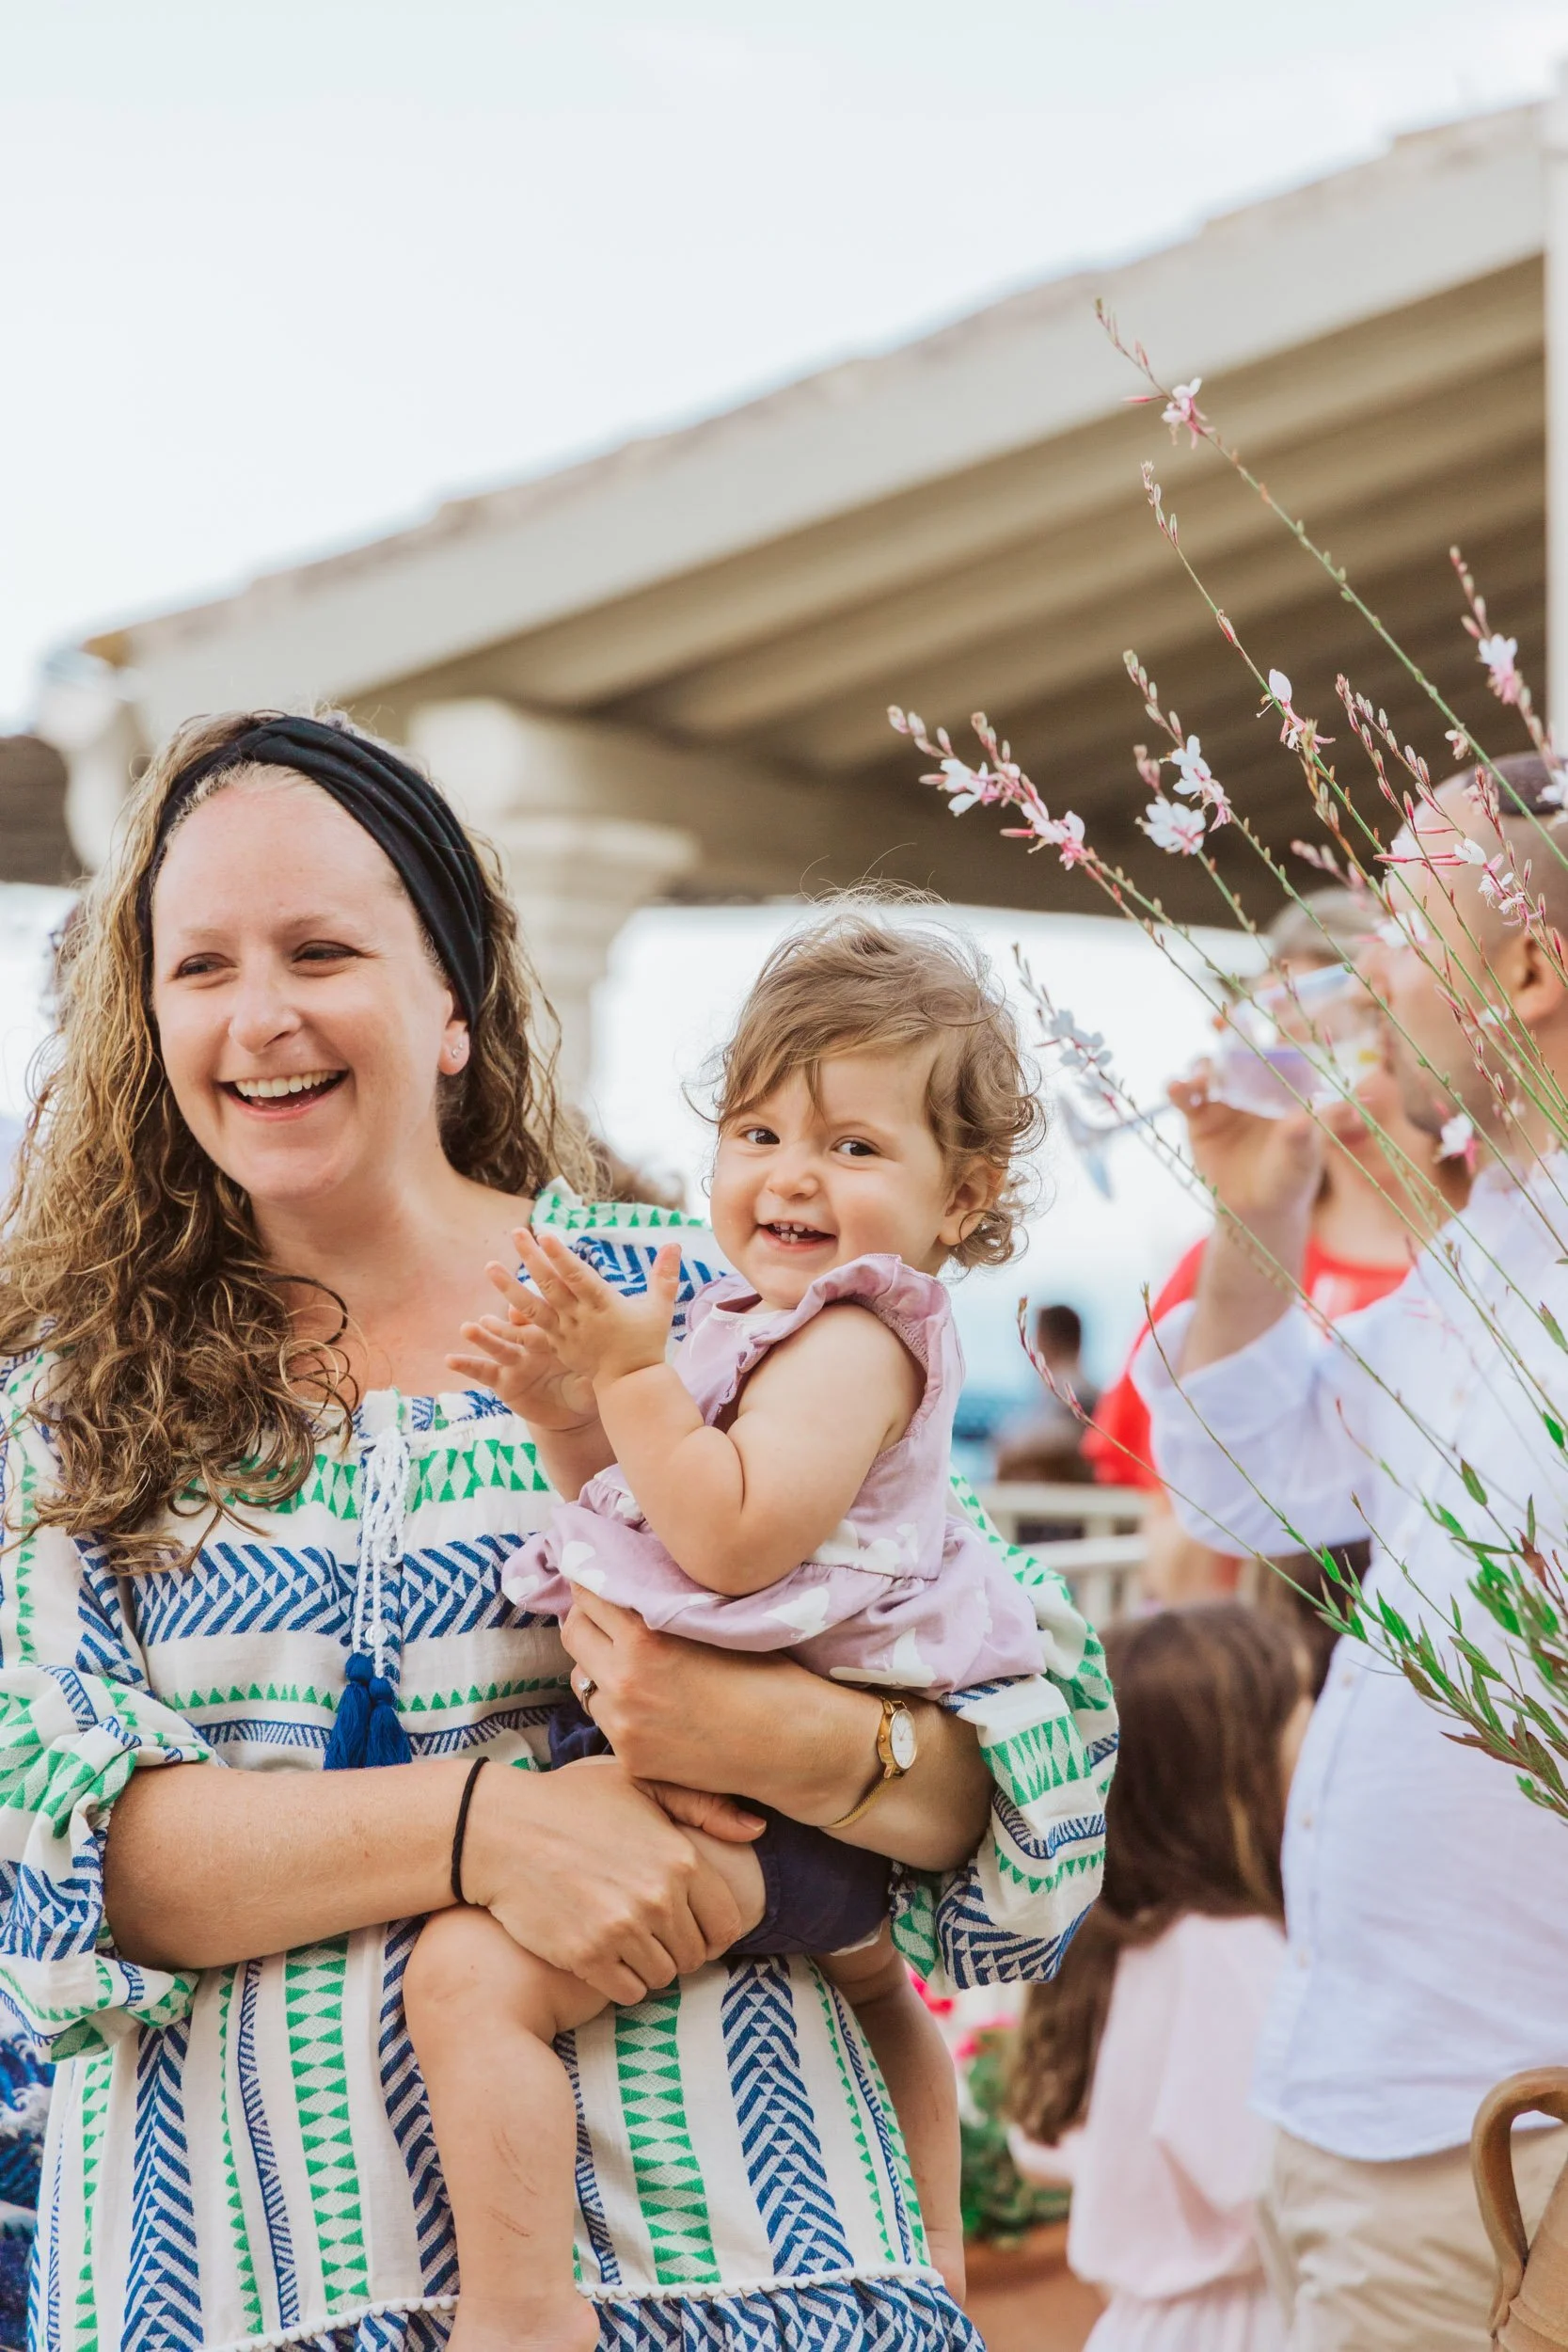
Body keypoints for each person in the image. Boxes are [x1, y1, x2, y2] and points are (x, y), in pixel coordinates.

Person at [0, 710, 1115, 2352]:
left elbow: (1042, 1736)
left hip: (754, 2283)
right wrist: (487, 1830)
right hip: (233, 2296)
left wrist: (787, 1736)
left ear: (451, 1007)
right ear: (144, 1014)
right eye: (200, 968)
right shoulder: (62, 1402)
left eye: (321, 950)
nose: (261, 1017)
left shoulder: (708, 1303)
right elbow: (56, 1843)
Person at [412, 916, 1053, 2344]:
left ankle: (521, 2315)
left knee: (465, 1981)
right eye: (755, 1130)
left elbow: (731, 1534)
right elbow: (649, 1533)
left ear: (965, 1196)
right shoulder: (752, 1321)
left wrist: (626, 1374)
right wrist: (572, 1417)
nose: (789, 1175)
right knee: (877, 1989)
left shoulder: (856, 1333)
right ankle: (934, 2257)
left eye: (851, 1145)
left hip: (787, 1805)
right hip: (784, 1787)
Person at [1139, 753, 1568, 2350]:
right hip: (1363, 2089)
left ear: (1527, 969)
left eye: (1396, 912)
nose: (1354, 962)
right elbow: (1255, 1487)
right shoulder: (1498, 1250)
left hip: (1504, 2124)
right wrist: (1258, 1225)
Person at [1085, 888, 1450, 1610]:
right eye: (1280, 1049)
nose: (1313, 1082)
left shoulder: (1504, 1257)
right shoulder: (1224, 1271)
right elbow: (1177, 1544)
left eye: (1339, 1040)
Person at [1007, 1604, 1312, 2349]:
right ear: (1232, 1778)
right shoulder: (1222, 1952)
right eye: (1304, 1717)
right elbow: (1284, 2186)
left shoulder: (1138, 1942)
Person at [994, 1303, 1100, 1484]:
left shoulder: (1071, 1394)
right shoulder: (1092, 1395)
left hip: (1052, 1504)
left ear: (1043, 1339)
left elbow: (1070, 1439)